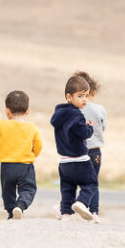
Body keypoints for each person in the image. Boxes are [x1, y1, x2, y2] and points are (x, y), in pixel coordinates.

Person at [0, 90, 42, 219]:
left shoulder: (2, 125)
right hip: (25, 166)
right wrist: (32, 156)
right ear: (27, 111)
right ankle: (20, 206)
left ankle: (11, 211)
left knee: (7, 191)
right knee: (28, 189)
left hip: (7, 165)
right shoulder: (32, 128)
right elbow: (38, 146)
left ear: (7, 111)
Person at [50, 75, 97, 222]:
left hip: (64, 162)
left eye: (86, 96)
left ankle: (65, 214)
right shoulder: (76, 114)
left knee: (67, 188)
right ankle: (82, 203)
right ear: (68, 97)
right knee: (90, 183)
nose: (85, 99)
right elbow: (83, 133)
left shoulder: (59, 115)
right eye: (80, 96)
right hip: (80, 160)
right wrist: (89, 128)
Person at [74, 71, 106, 219]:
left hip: (77, 151)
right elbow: (102, 127)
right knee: (93, 183)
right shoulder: (99, 109)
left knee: (74, 182)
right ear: (92, 92)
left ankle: (69, 208)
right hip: (95, 152)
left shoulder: (73, 109)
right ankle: (94, 213)